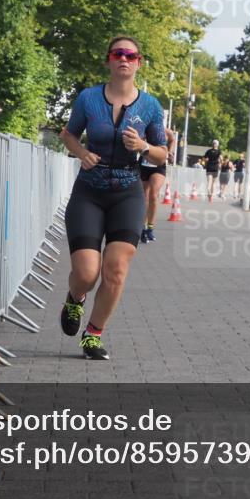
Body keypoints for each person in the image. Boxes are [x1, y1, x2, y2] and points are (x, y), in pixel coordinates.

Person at [58, 36, 168, 360]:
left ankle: (93, 334)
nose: (124, 59)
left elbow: (162, 153)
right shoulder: (88, 98)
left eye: (130, 55)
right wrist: (82, 153)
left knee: (116, 269)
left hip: (127, 192)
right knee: (86, 274)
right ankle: (75, 298)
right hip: (89, 192)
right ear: (108, 59)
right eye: (118, 54)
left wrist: (144, 147)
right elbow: (68, 135)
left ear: (139, 62)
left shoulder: (150, 106)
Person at [139, 127, 177, 243]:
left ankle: (150, 228)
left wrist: (170, 151)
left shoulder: (166, 131)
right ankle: (143, 227)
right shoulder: (144, 127)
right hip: (144, 164)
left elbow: (172, 140)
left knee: (153, 195)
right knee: (144, 197)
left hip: (159, 166)